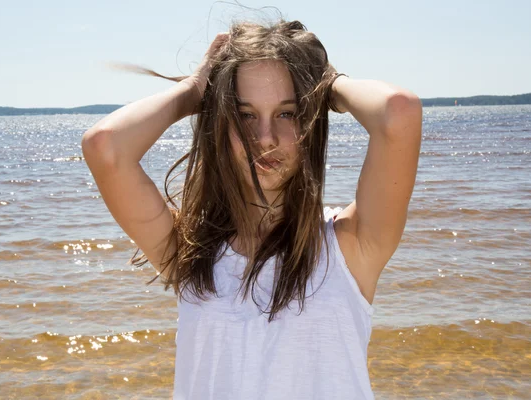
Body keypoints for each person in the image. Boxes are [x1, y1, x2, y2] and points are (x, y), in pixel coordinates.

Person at [82, 19, 422, 400]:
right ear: (221, 121)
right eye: (245, 115)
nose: (265, 138)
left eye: (287, 113)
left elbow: (399, 112)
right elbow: (104, 147)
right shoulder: (189, 252)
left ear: (310, 117)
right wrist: (196, 90)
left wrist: (326, 83)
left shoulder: (352, 248)